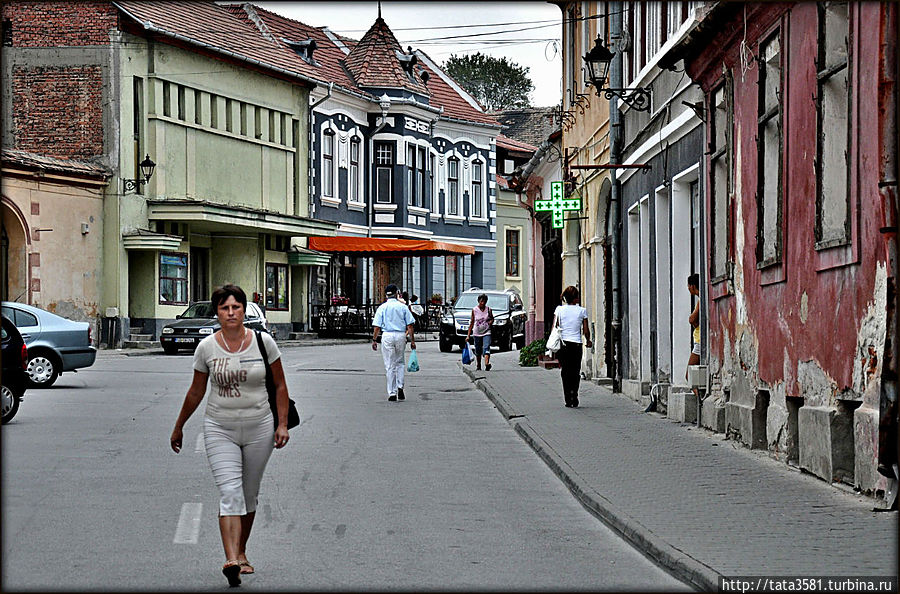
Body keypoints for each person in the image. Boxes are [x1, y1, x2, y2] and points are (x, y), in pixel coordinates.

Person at [170, 284, 290, 587]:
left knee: (248, 495)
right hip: (219, 427)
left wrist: (282, 425)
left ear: (244, 310)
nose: (231, 313)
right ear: (217, 312)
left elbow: (280, 386)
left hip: (259, 427)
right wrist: (179, 424)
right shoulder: (207, 348)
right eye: (225, 308)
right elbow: (197, 390)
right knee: (230, 493)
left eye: (236, 307)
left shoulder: (263, 343)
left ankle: (242, 550)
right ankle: (232, 559)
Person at [372, 283, 416, 401]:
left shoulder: (382, 308)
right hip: (401, 335)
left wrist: (374, 339)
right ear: (397, 293)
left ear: (386, 295)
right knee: (400, 362)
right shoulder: (403, 307)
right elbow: (410, 325)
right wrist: (412, 340)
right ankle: (400, 386)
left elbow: (377, 326)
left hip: (387, 335)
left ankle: (392, 392)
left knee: (390, 365)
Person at [553, 285, 592, 408]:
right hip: (576, 344)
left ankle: (567, 399)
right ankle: (574, 395)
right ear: (575, 298)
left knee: (565, 371)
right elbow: (585, 329)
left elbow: (555, 326)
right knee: (575, 371)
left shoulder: (559, 310)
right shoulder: (582, 311)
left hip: (563, 344)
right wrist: (588, 340)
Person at [465, 293, 494, 371]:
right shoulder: (474, 310)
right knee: (478, 350)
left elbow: (492, 318)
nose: (483, 303)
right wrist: (468, 335)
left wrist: (490, 322)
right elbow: (472, 322)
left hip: (487, 331)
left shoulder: (488, 309)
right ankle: (478, 365)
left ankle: (487, 364)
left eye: (484, 301)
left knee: (486, 347)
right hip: (477, 333)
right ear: (478, 301)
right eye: (481, 301)